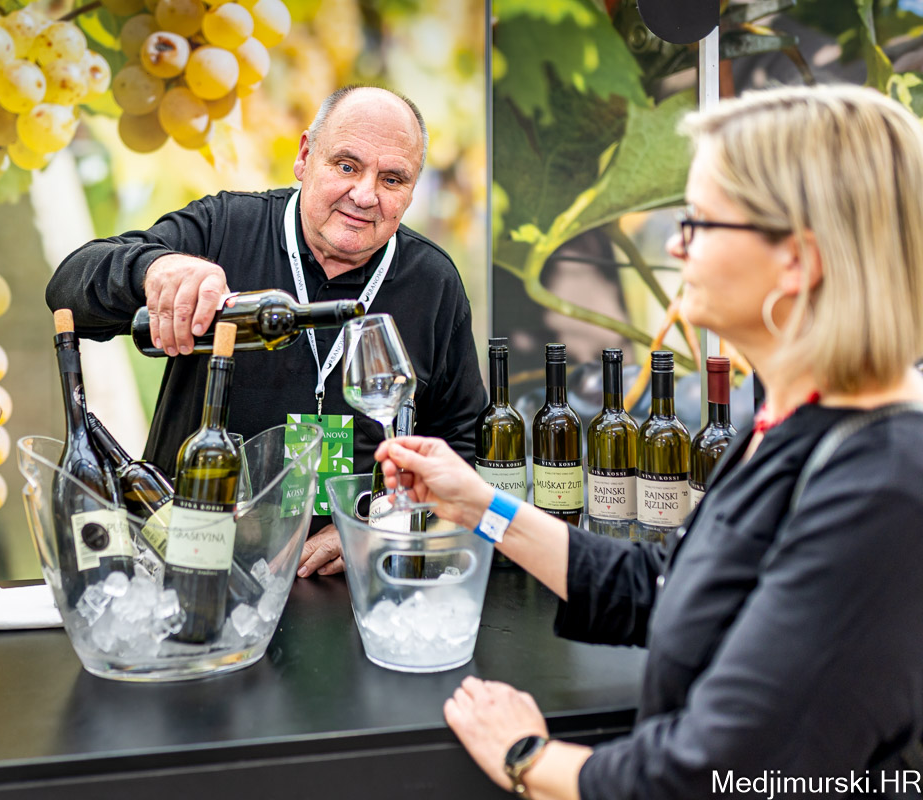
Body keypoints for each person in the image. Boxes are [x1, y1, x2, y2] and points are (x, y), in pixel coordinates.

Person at [376, 84, 923, 799]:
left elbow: (708, 775)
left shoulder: (883, 484)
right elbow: (665, 588)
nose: (674, 243)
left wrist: (527, 758)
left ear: (797, 259)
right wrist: (479, 506)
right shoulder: (793, 421)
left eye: (699, 222)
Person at [46, 86, 487, 578]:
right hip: (185, 565)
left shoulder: (433, 282)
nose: (365, 196)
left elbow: (463, 445)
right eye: (346, 166)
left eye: (392, 179)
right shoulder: (224, 228)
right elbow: (67, 291)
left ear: (412, 188)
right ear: (305, 156)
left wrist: (374, 527)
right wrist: (155, 270)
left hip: (346, 587)